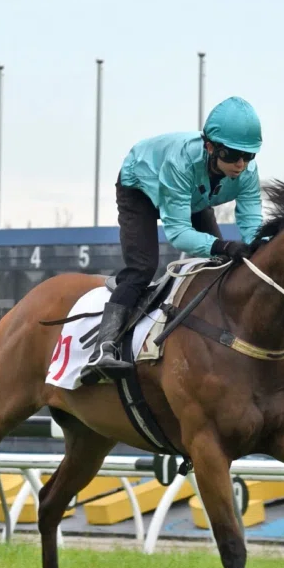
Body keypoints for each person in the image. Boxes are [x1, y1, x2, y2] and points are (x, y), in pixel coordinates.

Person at [83, 96, 264, 382]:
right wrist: (223, 244)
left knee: (220, 263)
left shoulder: (247, 173)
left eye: (248, 156)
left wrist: (258, 249)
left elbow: (252, 223)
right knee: (142, 268)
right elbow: (178, 233)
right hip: (141, 187)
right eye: (232, 155)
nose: (240, 165)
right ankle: (102, 348)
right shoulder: (180, 163)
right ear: (210, 147)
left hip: (191, 195)